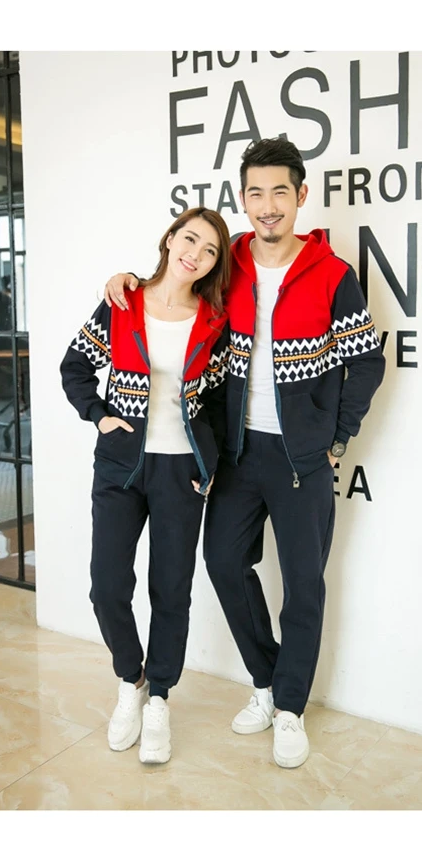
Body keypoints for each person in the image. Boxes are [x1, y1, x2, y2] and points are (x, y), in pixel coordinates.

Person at [103, 138, 385, 769]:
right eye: (255, 192)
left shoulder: (332, 276)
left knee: (304, 585)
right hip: (236, 452)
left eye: (280, 191)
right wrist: (126, 281)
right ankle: (267, 681)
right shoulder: (226, 264)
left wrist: (336, 437)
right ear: (243, 198)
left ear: (301, 195)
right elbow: (170, 290)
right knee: (224, 563)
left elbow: (367, 360)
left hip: (302, 459)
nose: (267, 205)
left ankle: (290, 709)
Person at [61, 207, 231, 764]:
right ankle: (130, 680)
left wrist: (209, 461)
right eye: (190, 239)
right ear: (170, 239)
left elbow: (220, 399)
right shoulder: (123, 302)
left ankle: (159, 697)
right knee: (107, 586)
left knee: (171, 590)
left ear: (215, 264)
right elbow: (75, 367)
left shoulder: (214, 319)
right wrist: (99, 415)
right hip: (121, 466)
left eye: (209, 250)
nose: (196, 254)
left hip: (181, 470)